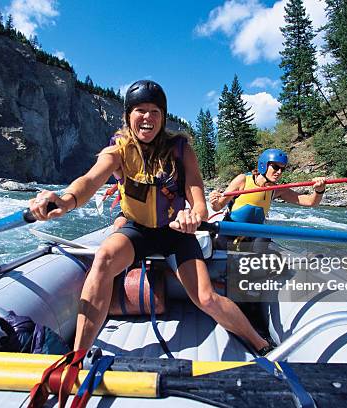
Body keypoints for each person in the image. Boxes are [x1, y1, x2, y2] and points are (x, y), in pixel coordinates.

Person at [29, 80, 273, 355]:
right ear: (128, 115)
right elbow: (88, 181)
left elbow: (199, 203)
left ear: (163, 117)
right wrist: (65, 200)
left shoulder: (181, 151)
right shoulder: (116, 152)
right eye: (140, 110)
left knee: (207, 298)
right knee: (104, 259)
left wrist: (193, 215)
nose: (147, 117)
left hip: (176, 233)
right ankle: (77, 357)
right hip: (138, 231)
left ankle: (261, 343)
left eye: (155, 111)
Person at [208, 149, 326, 251]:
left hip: (253, 234)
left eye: (282, 169)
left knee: (264, 240)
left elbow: (311, 202)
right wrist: (214, 201)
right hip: (231, 229)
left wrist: (319, 190)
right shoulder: (243, 180)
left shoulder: (277, 189)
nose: (279, 172)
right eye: (275, 167)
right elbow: (218, 206)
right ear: (263, 165)